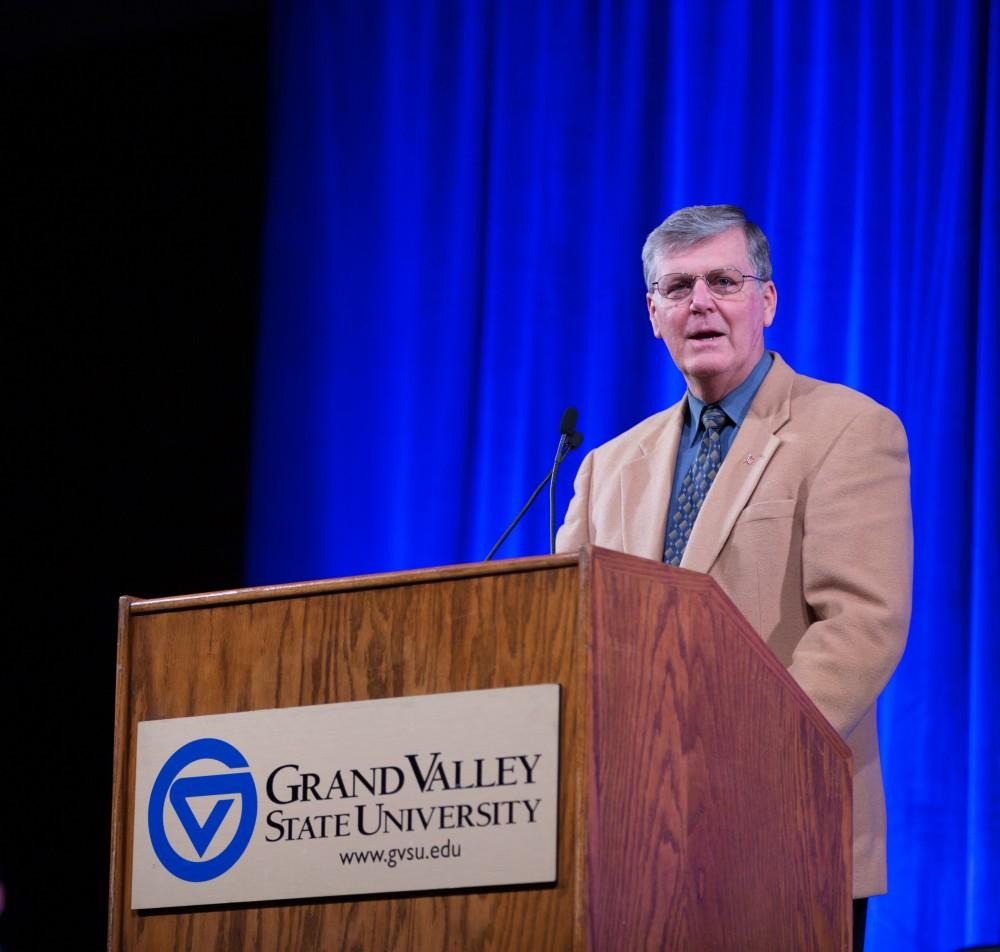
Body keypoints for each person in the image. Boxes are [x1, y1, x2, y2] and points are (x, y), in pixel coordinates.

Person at [556, 204, 912, 950]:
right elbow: (562, 634)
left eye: (724, 280)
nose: (702, 304)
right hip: (626, 841)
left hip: (783, 828)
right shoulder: (605, 467)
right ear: (653, 312)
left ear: (768, 300)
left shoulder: (848, 430)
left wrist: (724, 756)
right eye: (679, 287)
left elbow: (863, 624)